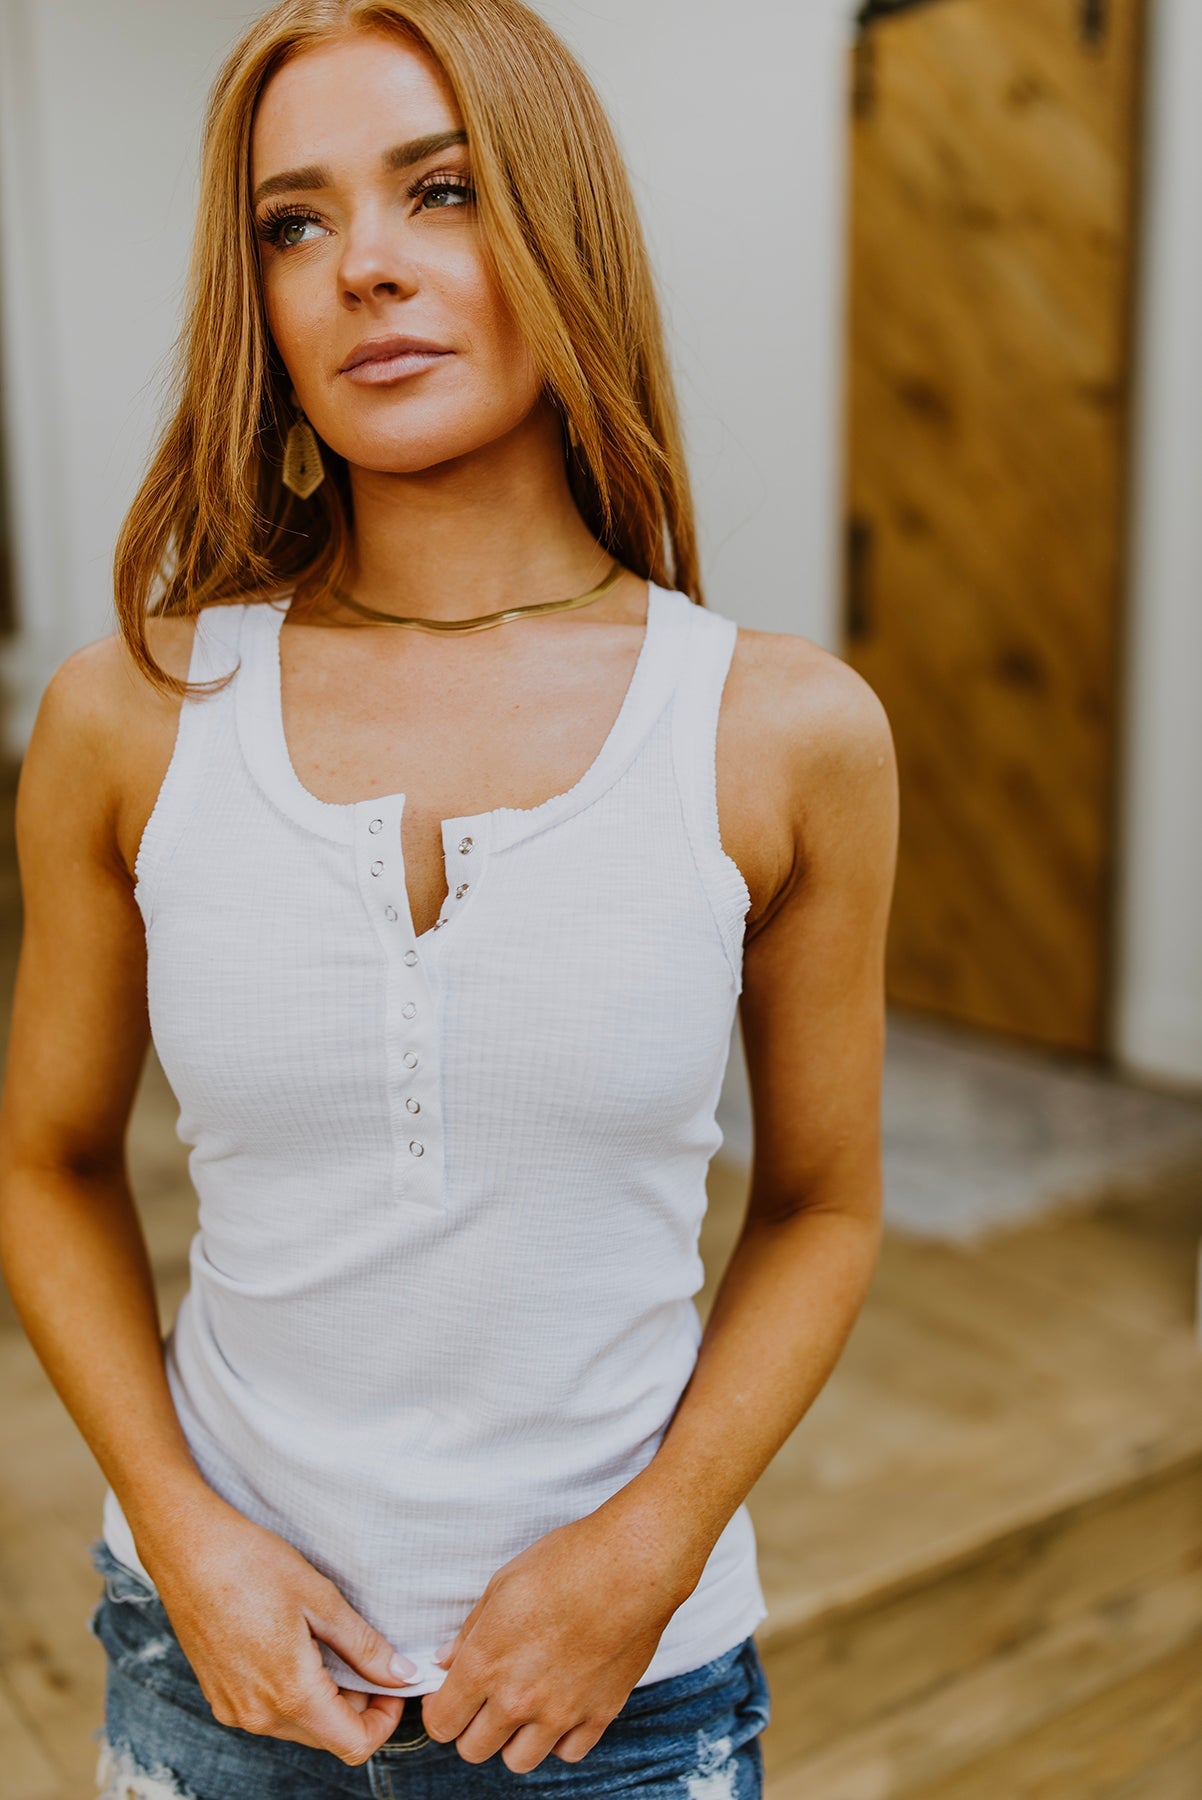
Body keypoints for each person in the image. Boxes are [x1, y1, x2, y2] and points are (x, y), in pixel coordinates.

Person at [0, 1, 898, 1795]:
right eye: (295, 221)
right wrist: (182, 1531)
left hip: (625, 1701)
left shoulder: (778, 731)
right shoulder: (130, 715)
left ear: (559, 227)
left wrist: (647, 1551)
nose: (363, 266)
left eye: (442, 189)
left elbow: (820, 1206)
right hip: (214, 1667)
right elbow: (46, 1163)